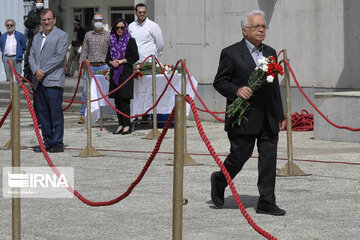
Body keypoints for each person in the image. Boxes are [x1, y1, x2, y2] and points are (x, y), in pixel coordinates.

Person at [211, 10, 286, 215]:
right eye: (256, 27)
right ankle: (219, 180)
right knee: (239, 156)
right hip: (243, 117)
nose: (261, 30)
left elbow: (274, 88)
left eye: (263, 27)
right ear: (245, 31)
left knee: (269, 159)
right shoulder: (231, 53)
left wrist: (280, 115)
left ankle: (266, 201)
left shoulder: (270, 52)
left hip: (268, 117)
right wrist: (236, 90)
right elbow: (220, 82)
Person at [28, 9, 68, 153]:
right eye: (44, 20)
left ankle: (57, 142)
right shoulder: (37, 37)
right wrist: (35, 70)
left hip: (53, 80)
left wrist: (41, 71)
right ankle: (47, 141)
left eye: (49, 19)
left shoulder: (62, 35)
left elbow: (59, 57)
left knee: (55, 113)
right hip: (39, 81)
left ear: (54, 20)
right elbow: (31, 56)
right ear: (41, 21)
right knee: (43, 114)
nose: (47, 22)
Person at [105, 19, 139, 135]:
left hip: (125, 72)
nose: (119, 30)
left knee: (124, 100)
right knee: (117, 100)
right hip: (114, 73)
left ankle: (127, 125)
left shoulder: (130, 41)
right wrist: (111, 62)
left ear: (125, 28)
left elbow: (135, 56)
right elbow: (107, 58)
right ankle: (120, 123)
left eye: (122, 28)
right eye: (117, 28)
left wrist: (123, 60)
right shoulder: (112, 41)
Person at [78, 13, 110, 124]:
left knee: (102, 92)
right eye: (96, 20)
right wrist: (81, 65)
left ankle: (99, 115)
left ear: (103, 22)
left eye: (100, 20)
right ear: (92, 22)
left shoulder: (108, 35)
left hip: (103, 66)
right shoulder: (88, 35)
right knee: (86, 92)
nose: (98, 23)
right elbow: (84, 51)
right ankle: (83, 114)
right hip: (90, 66)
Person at [24, 0, 44, 80]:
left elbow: (46, 23)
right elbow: (27, 23)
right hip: (33, 37)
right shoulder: (31, 13)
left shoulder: (45, 12)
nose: (39, 4)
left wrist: (39, 24)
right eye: (37, 2)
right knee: (29, 55)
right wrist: (36, 26)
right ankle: (27, 74)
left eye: (40, 2)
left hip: (43, 37)